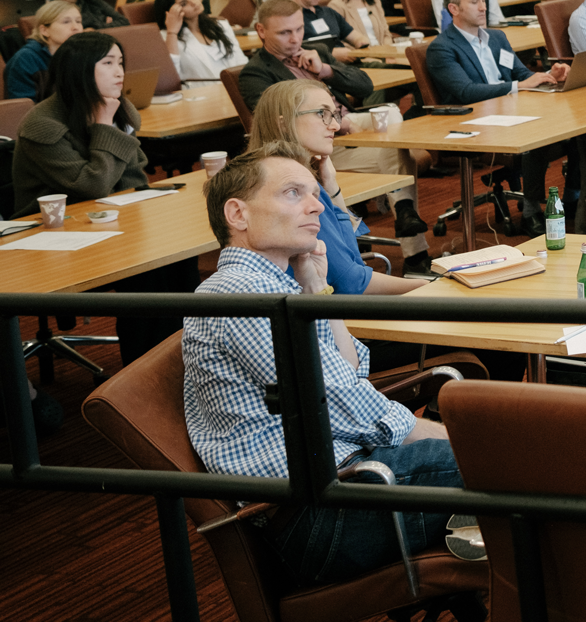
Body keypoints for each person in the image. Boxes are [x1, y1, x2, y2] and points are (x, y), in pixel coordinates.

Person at [182, 145, 474, 590]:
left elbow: (352, 370)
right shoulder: (242, 295)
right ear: (237, 214)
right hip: (318, 516)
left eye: (314, 193)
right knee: (524, 457)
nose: (316, 205)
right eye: (293, 193)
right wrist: (464, 438)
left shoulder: (275, 285)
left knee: (529, 462)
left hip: (345, 483)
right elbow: (346, 401)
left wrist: (316, 289)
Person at [13, 32, 198, 362]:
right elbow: (93, 185)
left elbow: (133, 179)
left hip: (105, 224)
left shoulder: (116, 108)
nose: (120, 72)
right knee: (150, 272)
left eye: (121, 63)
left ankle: (187, 360)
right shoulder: (42, 124)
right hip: (51, 236)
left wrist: (110, 123)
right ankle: (147, 374)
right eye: (108, 63)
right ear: (81, 71)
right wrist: (104, 126)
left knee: (177, 255)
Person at [240, 0, 424, 238]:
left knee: (390, 113)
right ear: (261, 30)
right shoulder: (255, 73)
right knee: (398, 153)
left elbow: (365, 86)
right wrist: (341, 124)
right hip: (318, 148)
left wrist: (326, 69)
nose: (296, 39)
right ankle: (408, 227)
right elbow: (281, 124)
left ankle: (404, 209)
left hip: (347, 124)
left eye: (299, 29)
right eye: (285, 33)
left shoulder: (317, 52)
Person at [249, 86, 425, 298]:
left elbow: (352, 258)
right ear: (284, 123)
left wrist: (331, 185)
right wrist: (431, 288)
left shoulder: (297, 178)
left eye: (335, 115)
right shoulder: (294, 191)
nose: (334, 125)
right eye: (322, 114)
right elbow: (351, 282)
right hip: (321, 317)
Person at [427, 0, 569, 213]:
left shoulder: (497, 38)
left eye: (483, 0)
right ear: (454, 9)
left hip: (510, 110)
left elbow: (521, 73)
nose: (484, 7)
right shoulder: (442, 47)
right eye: (475, 2)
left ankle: (574, 198)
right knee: (539, 137)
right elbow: (466, 92)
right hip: (475, 120)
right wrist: (518, 86)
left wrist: (548, 75)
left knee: (571, 132)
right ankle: (532, 210)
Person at [291, 0, 379, 65]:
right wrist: (330, 54)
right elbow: (292, 51)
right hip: (321, 70)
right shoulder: (289, 18)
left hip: (350, 67)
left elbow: (355, 37)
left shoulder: (328, 12)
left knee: (398, 68)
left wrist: (361, 42)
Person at [155, 0, 246, 83]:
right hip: (201, 94)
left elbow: (242, 62)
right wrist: (172, 32)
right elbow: (169, 78)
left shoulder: (221, 25)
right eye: (184, 3)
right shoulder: (167, 37)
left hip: (236, 89)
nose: (193, 3)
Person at [5, 1, 82, 100]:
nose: (76, 27)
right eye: (66, 22)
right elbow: (22, 108)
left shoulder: (82, 53)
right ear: (44, 30)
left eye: (79, 21)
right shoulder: (25, 59)